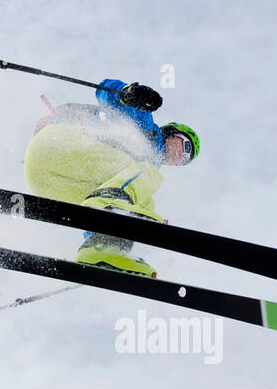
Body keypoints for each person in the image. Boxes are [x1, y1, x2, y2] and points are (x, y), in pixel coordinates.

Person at [23, 78, 199, 277]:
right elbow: (105, 92)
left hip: (41, 179)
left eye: (186, 160)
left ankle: (102, 249)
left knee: (143, 205)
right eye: (185, 146)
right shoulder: (148, 130)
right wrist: (129, 93)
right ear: (172, 133)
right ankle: (109, 213)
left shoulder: (129, 177)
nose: (181, 156)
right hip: (59, 143)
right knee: (148, 177)